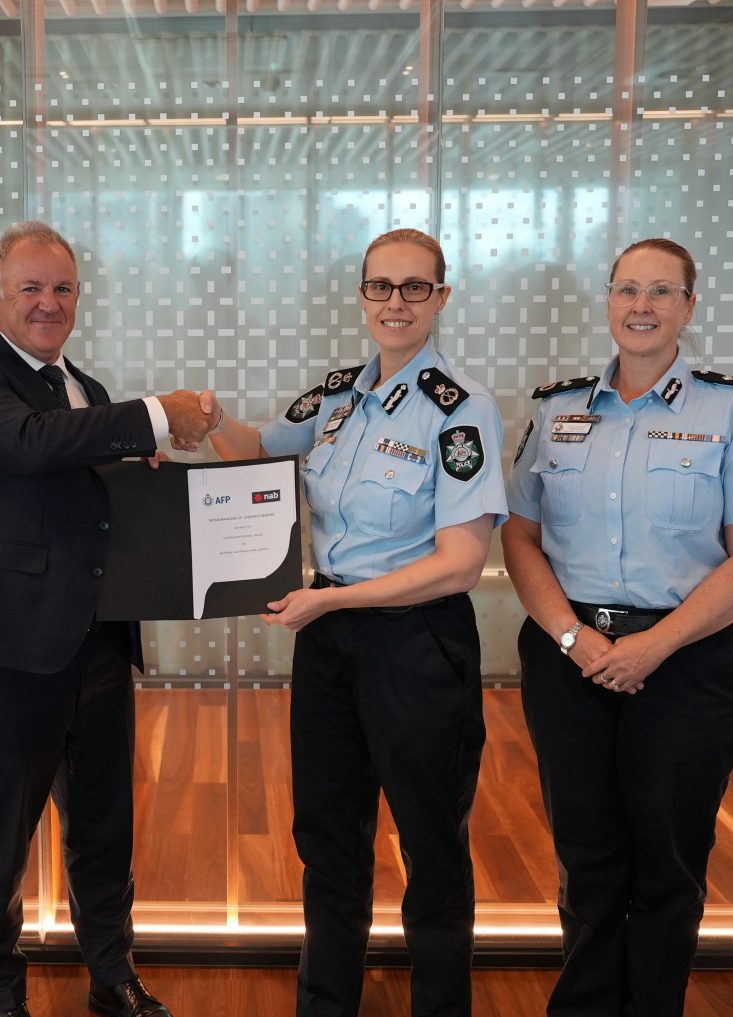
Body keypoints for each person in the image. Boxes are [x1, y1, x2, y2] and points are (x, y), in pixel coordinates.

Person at [199, 228, 507, 1017]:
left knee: (432, 848)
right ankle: (325, 1003)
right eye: (380, 286)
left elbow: (460, 564)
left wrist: (328, 601)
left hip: (416, 642)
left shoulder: (461, 409)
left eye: (413, 287)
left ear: (442, 296)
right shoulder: (336, 395)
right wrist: (201, 417)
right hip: (332, 645)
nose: (394, 302)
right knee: (328, 841)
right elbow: (255, 448)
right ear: (362, 295)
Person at [501, 238, 733, 1017]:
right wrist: (573, 638)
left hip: (689, 662)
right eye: (628, 289)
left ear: (688, 308)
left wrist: (653, 646)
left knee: (667, 859)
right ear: (608, 300)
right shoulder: (558, 408)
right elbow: (520, 538)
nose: (642, 306)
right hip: (571, 660)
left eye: (662, 292)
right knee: (587, 856)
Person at [0, 220, 214, 1017]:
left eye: (62, 288)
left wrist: (137, 468)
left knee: (103, 828)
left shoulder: (83, 385)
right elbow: (28, 443)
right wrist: (158, 414)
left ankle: (111, 976)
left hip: (98, 644)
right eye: (31, 288)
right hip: (8, 652)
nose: (48, 303)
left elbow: (82, 488)